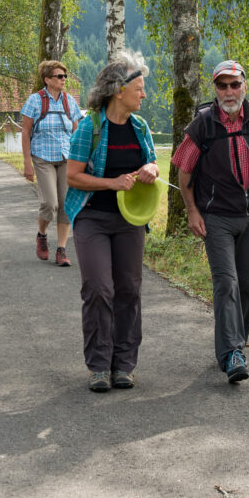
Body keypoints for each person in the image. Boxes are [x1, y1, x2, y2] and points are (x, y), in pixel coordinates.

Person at [172, 59, 249, 384]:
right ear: (215, 89)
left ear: (244, 87)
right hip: (217, 219)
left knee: (248, 287)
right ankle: (233, 353)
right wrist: (192, 211)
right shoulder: (203, 125)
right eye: (222, 86)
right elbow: (184, 172)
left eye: (234, 85)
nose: (229, 92)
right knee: (227, 283)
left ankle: (234, 342)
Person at [64, 51, 159, 392]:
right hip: (92, 217)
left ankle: (124, 365)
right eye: (139, 88)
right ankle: (99, 366)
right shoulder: (89, 127)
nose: (143, 94)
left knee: (129, 290)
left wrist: (151, 168)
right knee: (99, 289)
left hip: (130, 220)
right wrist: (112, 183)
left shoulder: (140, 127)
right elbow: (73, 177)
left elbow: (153, 163)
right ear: (119, 90)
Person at [19, 59, 79, 265]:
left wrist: (80, 160)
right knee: (50, 204)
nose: (63, 79)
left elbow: (76, 130)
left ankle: (61, 249)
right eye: (59, 76)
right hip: (43, 157)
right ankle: (42, 235)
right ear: (47, 79)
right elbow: (25, 131)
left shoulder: (69, 101)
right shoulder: (35, 101)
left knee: (66, 205)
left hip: (66, 158)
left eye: (64, 76)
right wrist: (27, 162)